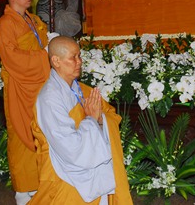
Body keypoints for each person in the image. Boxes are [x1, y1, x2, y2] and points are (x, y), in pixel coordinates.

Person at [31, 36, 132, 204]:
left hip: (90, 163)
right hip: (65, 171)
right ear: (56, 61)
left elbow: (110, 115)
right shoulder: (50, 99)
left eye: (79, 56)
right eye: (73, 57)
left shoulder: (80, 89)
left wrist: (100, 119)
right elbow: (70, 147)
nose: (79, 62)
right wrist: (91, 119)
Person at [0, 0, 51, 204]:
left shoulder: (32, 19)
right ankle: (23, 190)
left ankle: (41, 181)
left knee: (41, 131)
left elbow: (41, 43)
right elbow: (12, 58)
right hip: (20, 85)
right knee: (20, 133)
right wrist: (44, 55)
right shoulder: (5, 25)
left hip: (40, 83)